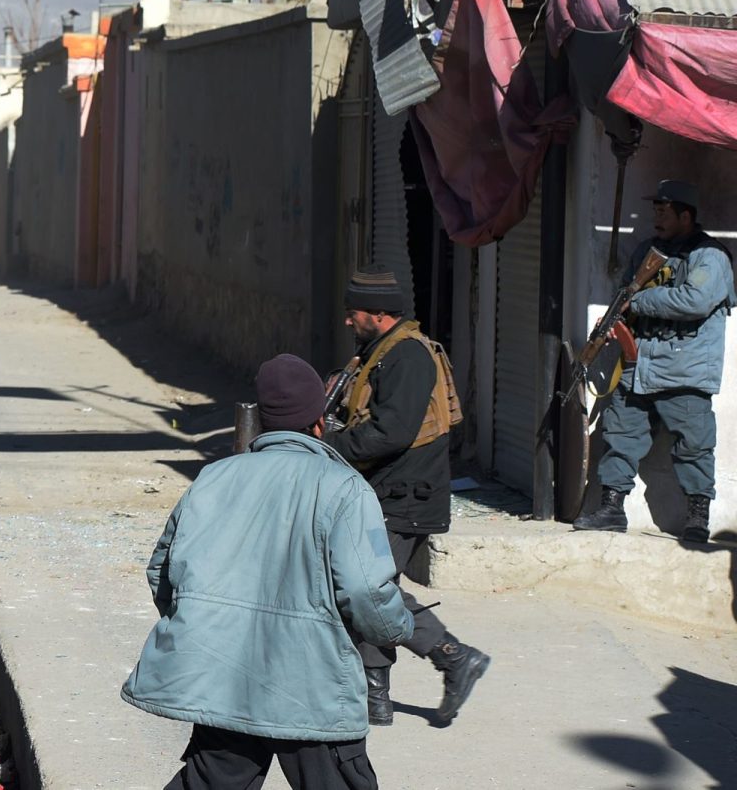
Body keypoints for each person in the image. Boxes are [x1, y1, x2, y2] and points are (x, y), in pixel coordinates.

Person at [122, 354, 412, 789]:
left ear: (261, 420)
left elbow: (162, 571)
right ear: (320, 420)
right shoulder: (346, 487)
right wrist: (397, 628)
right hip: (310, 684)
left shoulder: (213, 478)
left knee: (212, 779)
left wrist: (201, 625)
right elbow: (366, 589)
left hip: (222, 678)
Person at [327, 265, 489, 727]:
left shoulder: (408, 358)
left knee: (366, 590)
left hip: (404, 499)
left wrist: (329, 447)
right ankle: (376, 697)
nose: (347, 321)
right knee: (372, 590)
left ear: (377, 315)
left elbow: (390, 434)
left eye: (352, 312)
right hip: (387, 494)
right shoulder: (381, 352)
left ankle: (454, 658)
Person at [576, 179, 734, 542]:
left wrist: (640, 302)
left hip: (685, 371)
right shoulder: (649, 250)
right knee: (619, 435)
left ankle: (697, 518)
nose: (657, 217)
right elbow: (627, 291)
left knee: (694, 445)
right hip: (639, 367)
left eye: (665, 211)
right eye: (655, 210)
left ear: (686, 215)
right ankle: (611, 509)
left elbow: (695, 301)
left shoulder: (710, 256)